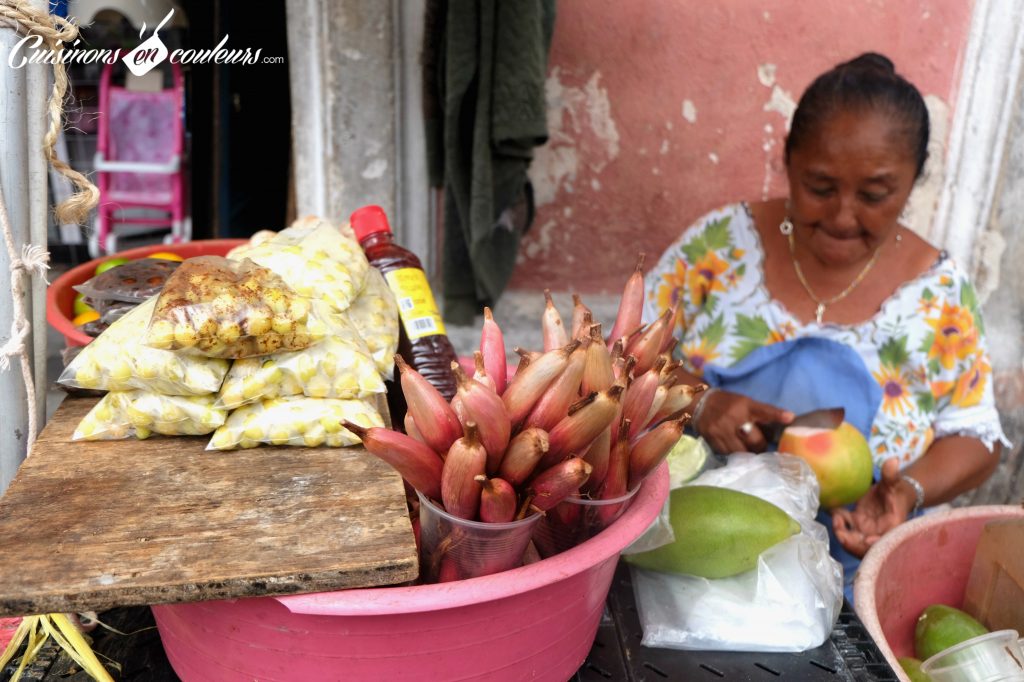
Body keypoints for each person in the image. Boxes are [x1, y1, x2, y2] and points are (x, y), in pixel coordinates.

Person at [643, 53, 1007, 596]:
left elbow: (976, 437)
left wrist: (907, 488)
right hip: (688, 560)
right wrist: (698, 402)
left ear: (913, 182)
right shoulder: (719, 248)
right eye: (819, 186)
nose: (841, 216)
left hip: (850, 586)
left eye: (875, 195)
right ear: (787, 161)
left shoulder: (939, 295)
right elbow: (625, 357)